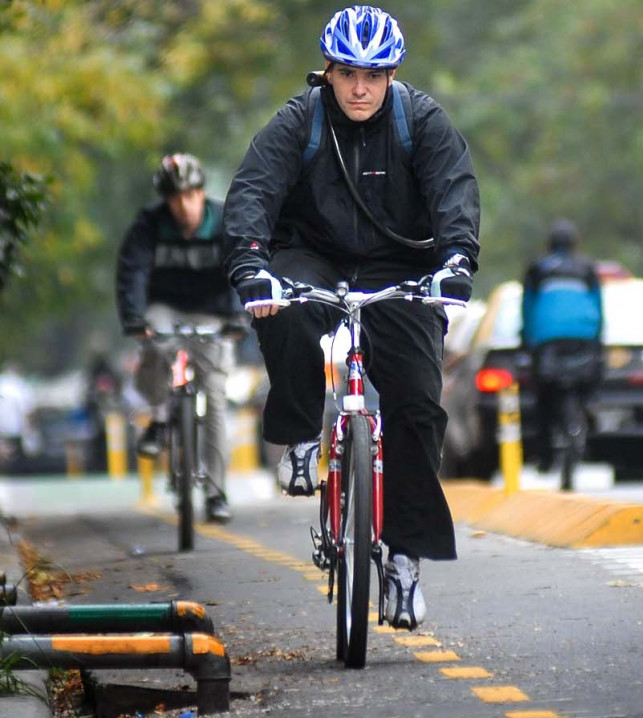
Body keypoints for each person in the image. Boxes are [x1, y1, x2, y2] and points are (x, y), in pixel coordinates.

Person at [222, 5, 479, 630]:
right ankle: (303, 433)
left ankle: (405, 561)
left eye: (374, 74)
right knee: (281, 313)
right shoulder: (298, 122)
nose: (360, 88)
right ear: (328, 73)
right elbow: (253, 190)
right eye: (347, 73)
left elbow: (455, 191)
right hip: (312, 255)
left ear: (391, 75)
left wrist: (455, 262)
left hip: (401, 264)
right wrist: (252, 266)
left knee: (419, 406)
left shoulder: (422, 122)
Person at [116, 153, 245, 524]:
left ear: (202, 193)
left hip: (214, 312)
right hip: (165, 307)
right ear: (165, 201)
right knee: (155, 345)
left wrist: (238, 316)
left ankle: (217, 492)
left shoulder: (224, 222)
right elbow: (134, 270)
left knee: (216, 398)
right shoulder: (149, 225)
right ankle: (158, 413)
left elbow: (241, 266)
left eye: (190, 196)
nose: (183, 206)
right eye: (174, 199)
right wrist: (134, 317)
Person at [521, 220, 604, 473]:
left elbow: (527, 307)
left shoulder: (537, 268)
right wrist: (597, 337)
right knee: (589, 379)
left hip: (548, 339)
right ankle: (590, 407)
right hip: (583, 335)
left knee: (544, 395)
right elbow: (598, 307)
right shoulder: (587, 268)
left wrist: (527, 340)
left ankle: (545, 457)